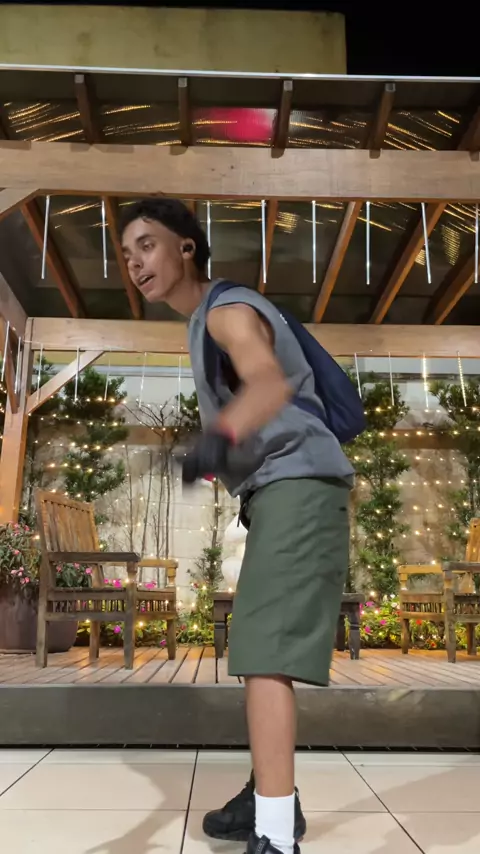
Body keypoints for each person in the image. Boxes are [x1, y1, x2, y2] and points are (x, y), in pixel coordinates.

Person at [120, 199, 354, 854]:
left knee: (264, 653)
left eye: (147, 244)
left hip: (299, 485)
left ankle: (275, 835)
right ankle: (269, 794)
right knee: (258, 646)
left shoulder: (225, 310)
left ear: (186, 247)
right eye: (126, 253)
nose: (134, 262)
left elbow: (268, 382)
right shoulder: (206, 319)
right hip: (282, 490)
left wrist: (216, 440)